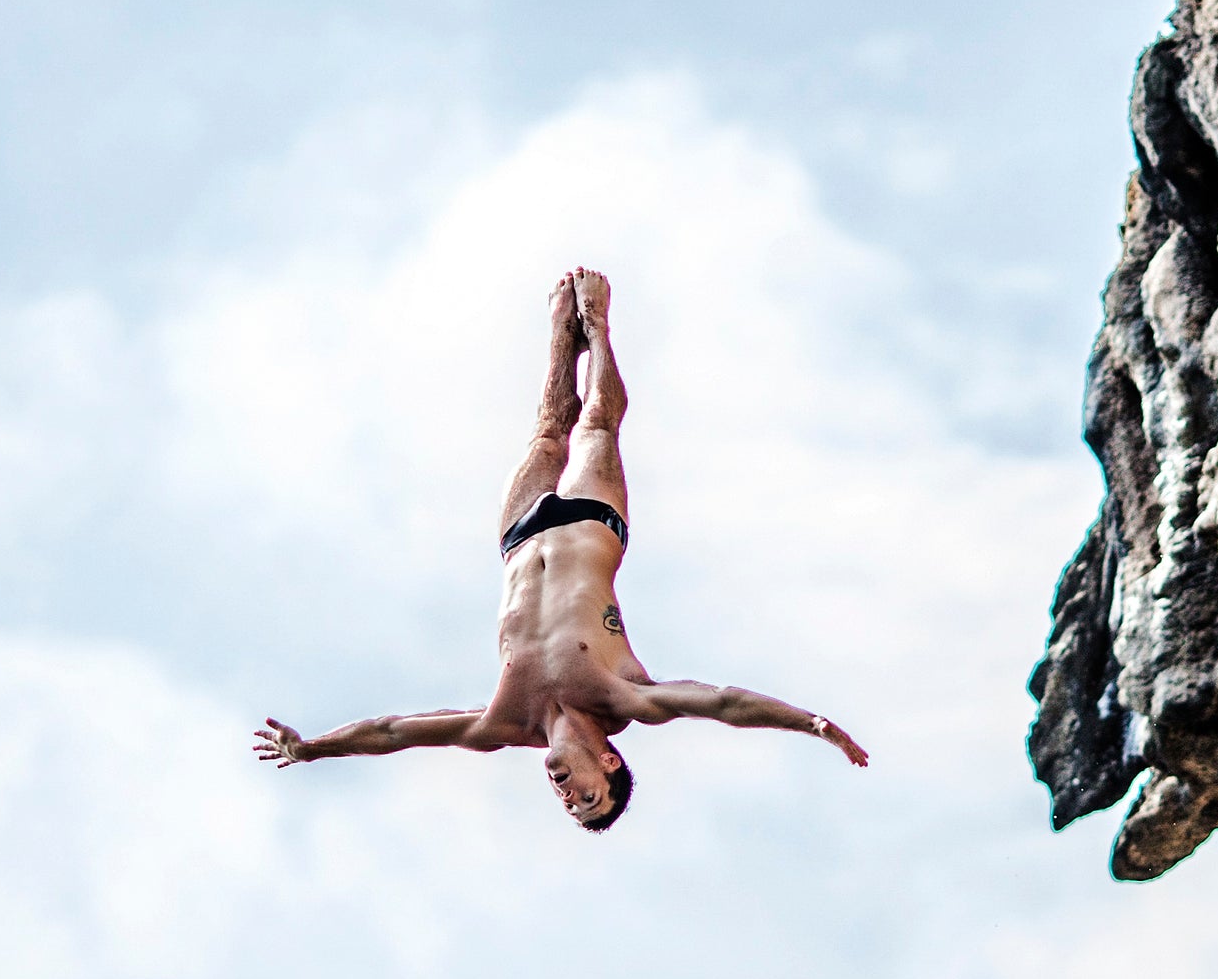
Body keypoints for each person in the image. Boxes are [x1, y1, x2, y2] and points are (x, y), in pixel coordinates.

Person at [254, 268, 868, 830]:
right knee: (597, 420)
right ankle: (597, 327)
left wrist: (314, 748)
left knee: (548, 427)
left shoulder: (504, 722)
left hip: (519, 539)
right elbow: (725, 703)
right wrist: (811, 724)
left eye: (571, 806)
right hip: (589, 527)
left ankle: (558, 329)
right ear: (608, 760)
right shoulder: (623, 698)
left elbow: (392, 733)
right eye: (590, 795)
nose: (570, 797)